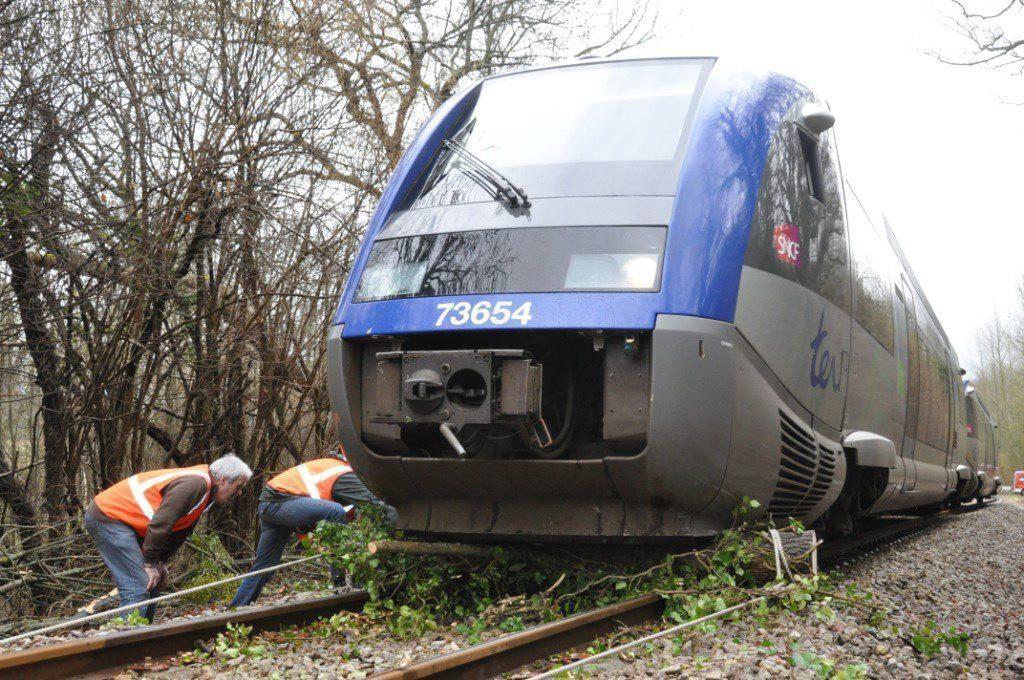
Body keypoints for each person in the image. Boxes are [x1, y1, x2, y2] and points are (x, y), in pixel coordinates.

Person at [85, 454, 252, 621]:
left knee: (153, 582)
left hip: (128, 522)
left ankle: (143, 637)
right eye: (238, 486)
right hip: (109, 517)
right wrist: (149, 563)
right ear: (223, 480)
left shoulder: (206, 492)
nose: (239, 493)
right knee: (138, 587)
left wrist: (160, 561)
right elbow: (162, 522)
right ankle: (124, 643)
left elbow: (181, 530)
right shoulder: (195, 484)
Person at [229, 449, 396, 607]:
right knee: (336, 512)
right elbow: (378, 507)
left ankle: (235, 609)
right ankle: (340, 586)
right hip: (279, 503)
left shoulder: (331, 466)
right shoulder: (343, 473)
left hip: (269, 505)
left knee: (265, 566)